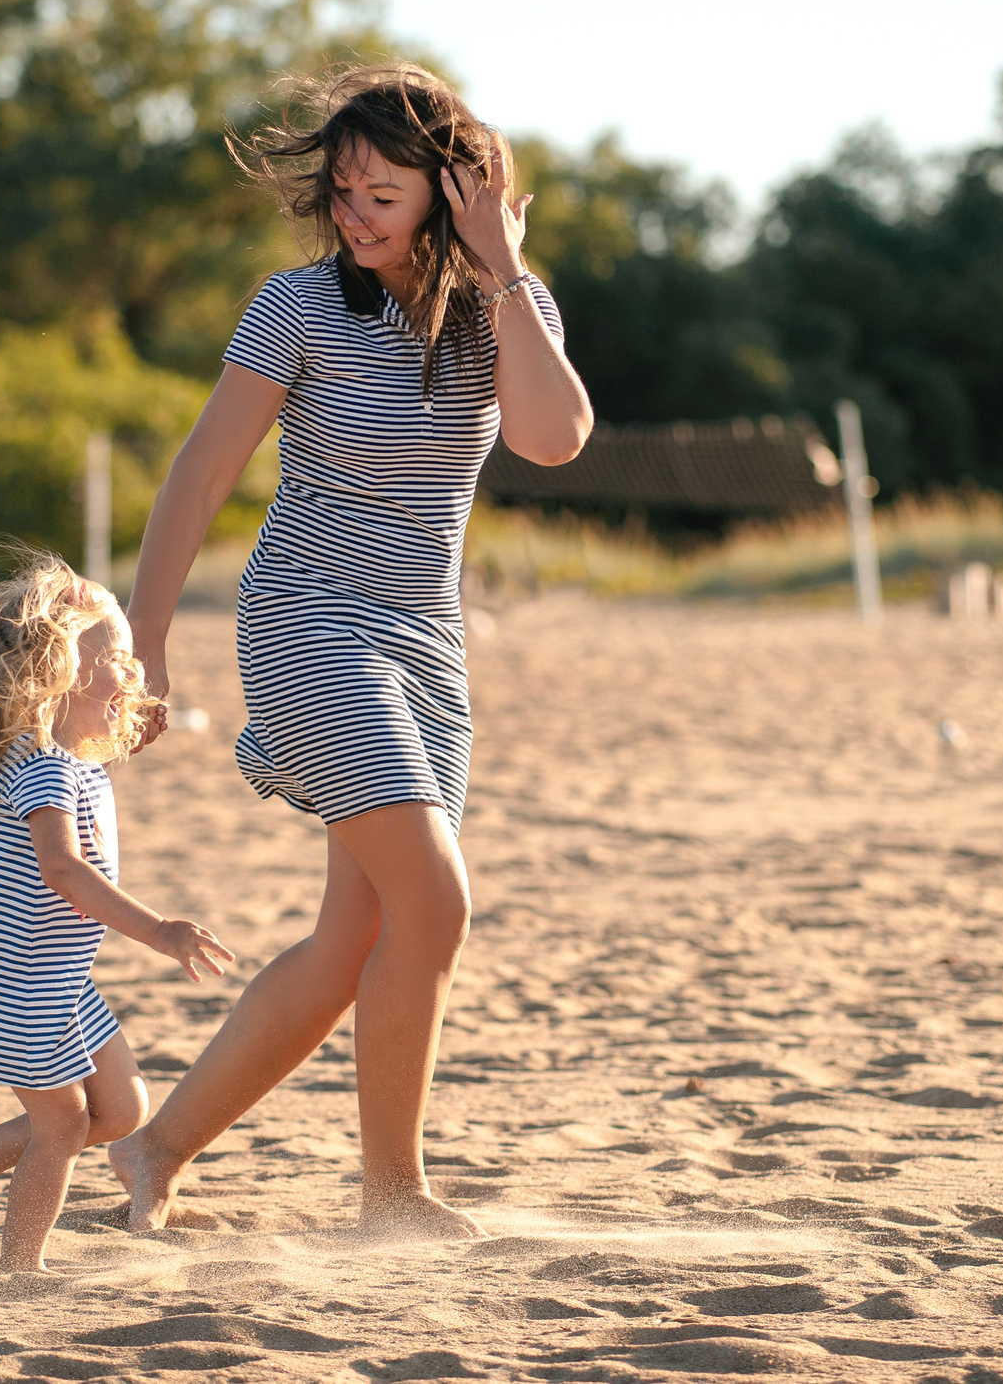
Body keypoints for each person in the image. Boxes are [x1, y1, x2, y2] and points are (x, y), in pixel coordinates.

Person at [113, 63, 593, 1239]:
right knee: (433, 899)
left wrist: (504, 268)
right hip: (307, 621)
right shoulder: (295, 307)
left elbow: (553, 437)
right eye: (341, 191)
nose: (352, 213)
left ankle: (151, 1152)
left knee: (357, 936)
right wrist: (147, 638)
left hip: (426, 642)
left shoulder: (506, 309)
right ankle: (393, 1194)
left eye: (381, 194)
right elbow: (204, 471)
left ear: (454, 191)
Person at [0, 559, 236, 1273]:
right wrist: (159, 929)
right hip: (11, 977)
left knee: (122, 1108)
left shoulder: (70, 757)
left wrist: (130, 721)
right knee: (64, 1124)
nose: (132, 676)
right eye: (118, 661)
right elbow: (63, 870)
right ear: (58, 675)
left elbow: (97, 749)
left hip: (53, 976)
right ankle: (19, 1267)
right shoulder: (41, 767)